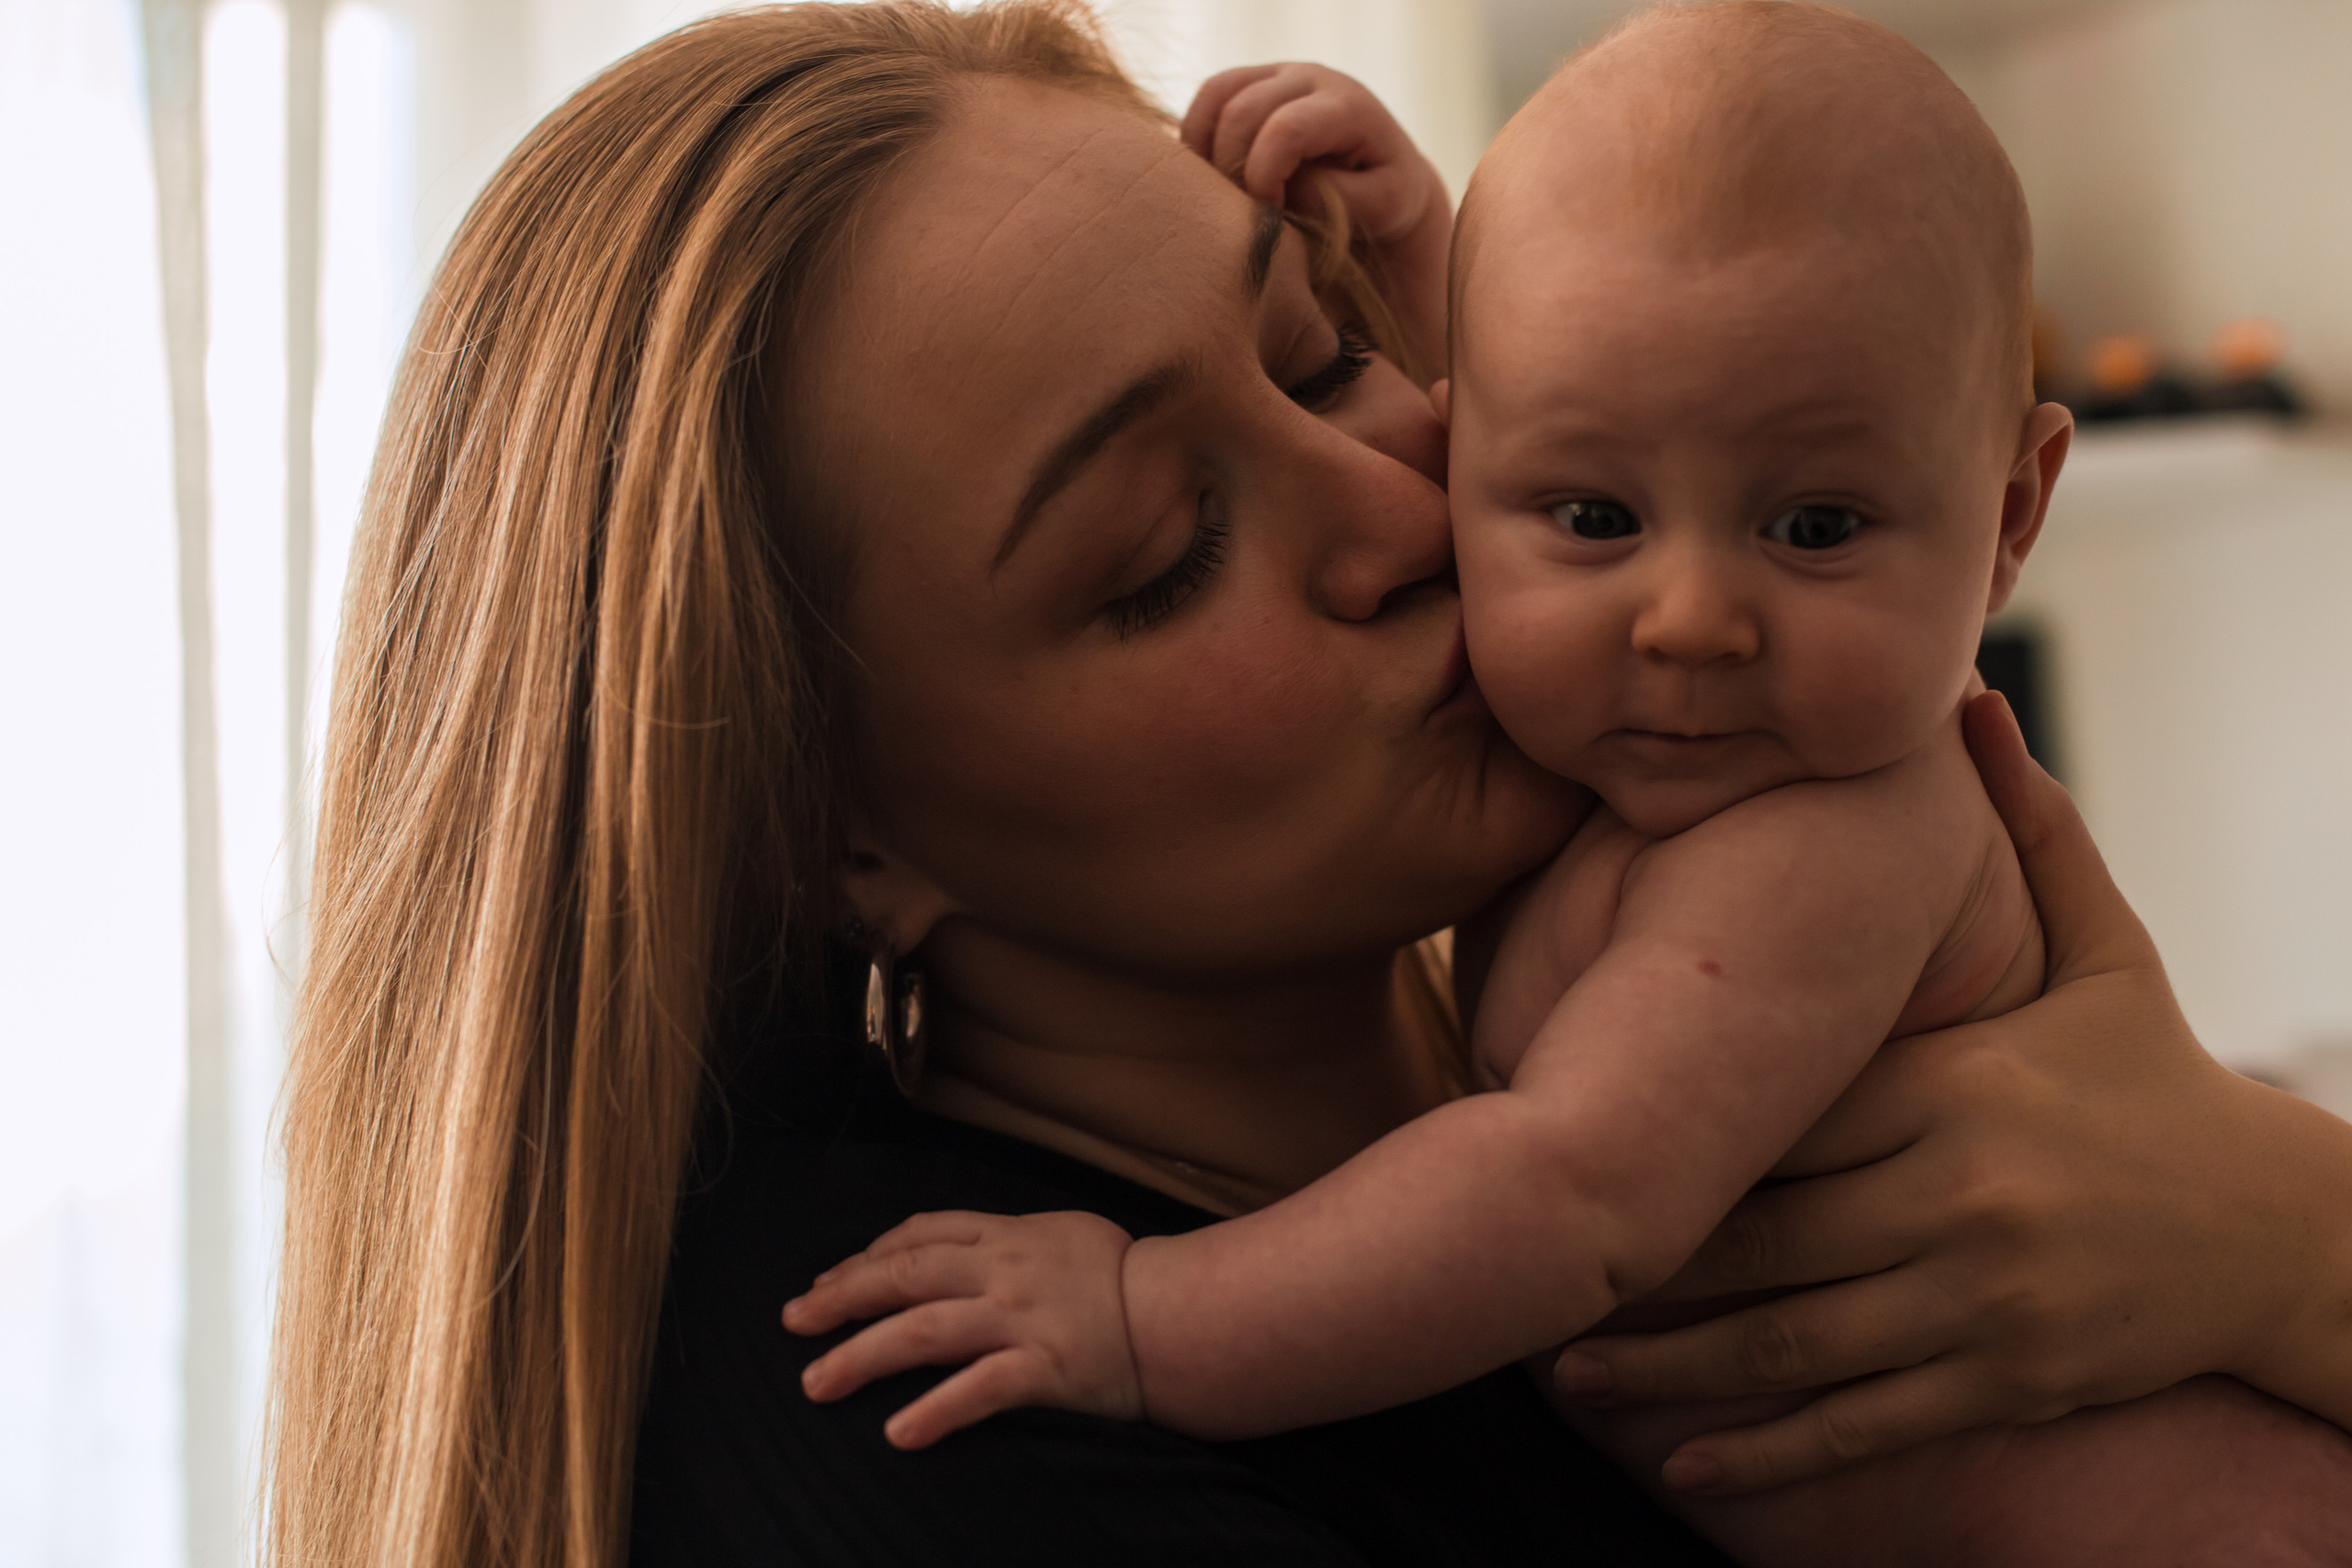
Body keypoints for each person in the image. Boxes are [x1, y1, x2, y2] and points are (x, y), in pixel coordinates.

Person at [262, 4, 2352, 1566]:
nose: (1407, 503)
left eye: (1328, 353)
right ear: (836, 832)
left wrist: (2279, 1236)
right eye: (1163, 552)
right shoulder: (934, 1416)